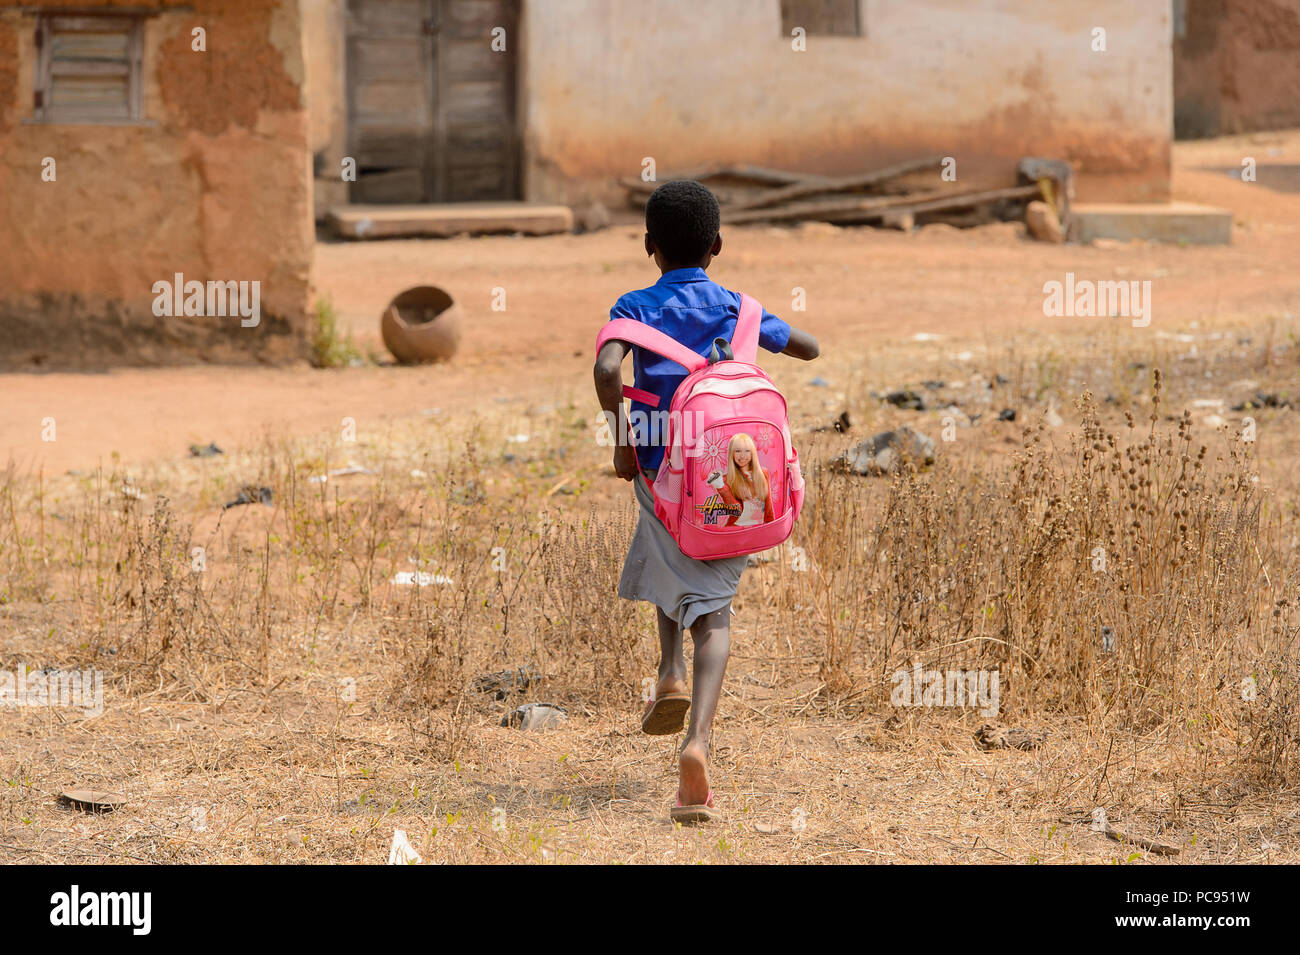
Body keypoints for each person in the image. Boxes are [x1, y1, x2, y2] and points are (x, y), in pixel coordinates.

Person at [592, 179, 819, 823]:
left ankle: (668, 671)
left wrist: (622, 443)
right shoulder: (736, 307)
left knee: (669, 556)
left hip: (663, 466)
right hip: (729, 479)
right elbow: (809, 347)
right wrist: (760, 334)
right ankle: (699, 738)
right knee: (713, 606)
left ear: (648, 246)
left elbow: (610, 370)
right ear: (718, 245)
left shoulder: (634, 303)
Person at [705, 433, 774, 527]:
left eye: (747, 451)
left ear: (752, 452)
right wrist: (721, 486)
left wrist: (772, 528)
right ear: (732, 454)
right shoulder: (727, 479)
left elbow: (768, 507)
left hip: (760, 530)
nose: (742, 456)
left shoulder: (763, 474)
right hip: (735, 530)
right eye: (737, 451)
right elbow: (736, 510)